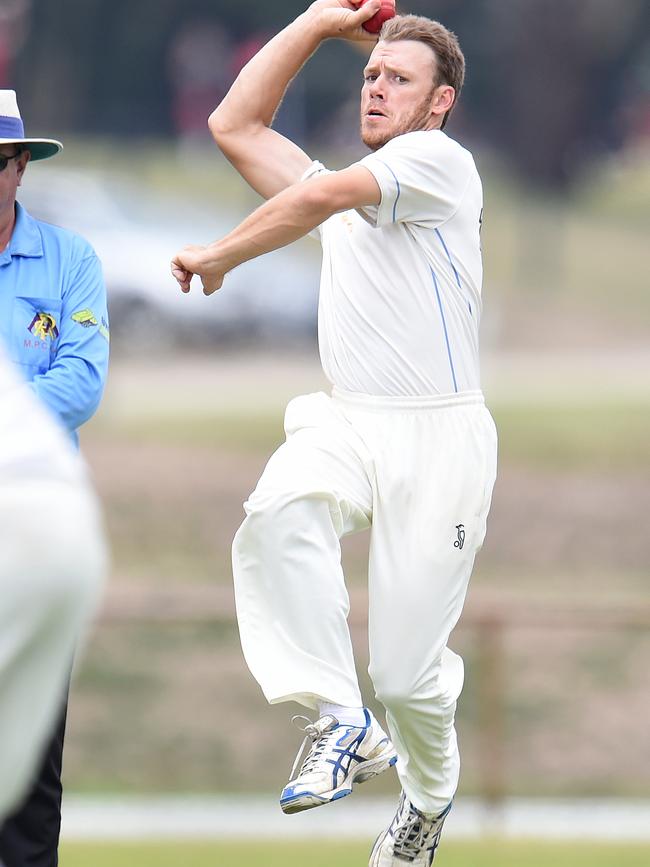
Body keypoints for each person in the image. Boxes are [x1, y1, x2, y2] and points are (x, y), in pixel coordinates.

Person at [171, 3, 497, 864]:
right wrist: (315, 23)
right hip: (349, 418)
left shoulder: (440, 165)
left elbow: (317, 193)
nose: (377, 89)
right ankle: (340, 719)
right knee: (279, 507)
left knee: (406, 676)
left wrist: (222, 255)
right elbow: (233, 124)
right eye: (371, 76)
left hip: (441, 443)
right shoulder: (352, 197)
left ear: (440, 103)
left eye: (399, 79)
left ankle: (426, 798)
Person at [0, 89, 109, 867]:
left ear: (19, 168)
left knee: (32, 765)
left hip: (32, 531)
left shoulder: (70, 261)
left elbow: (82, 380)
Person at [0, 340, 107, 832]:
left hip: (20, 517)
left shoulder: (70, 261)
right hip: (65, 515)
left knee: (27, 804)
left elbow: (80, 385)